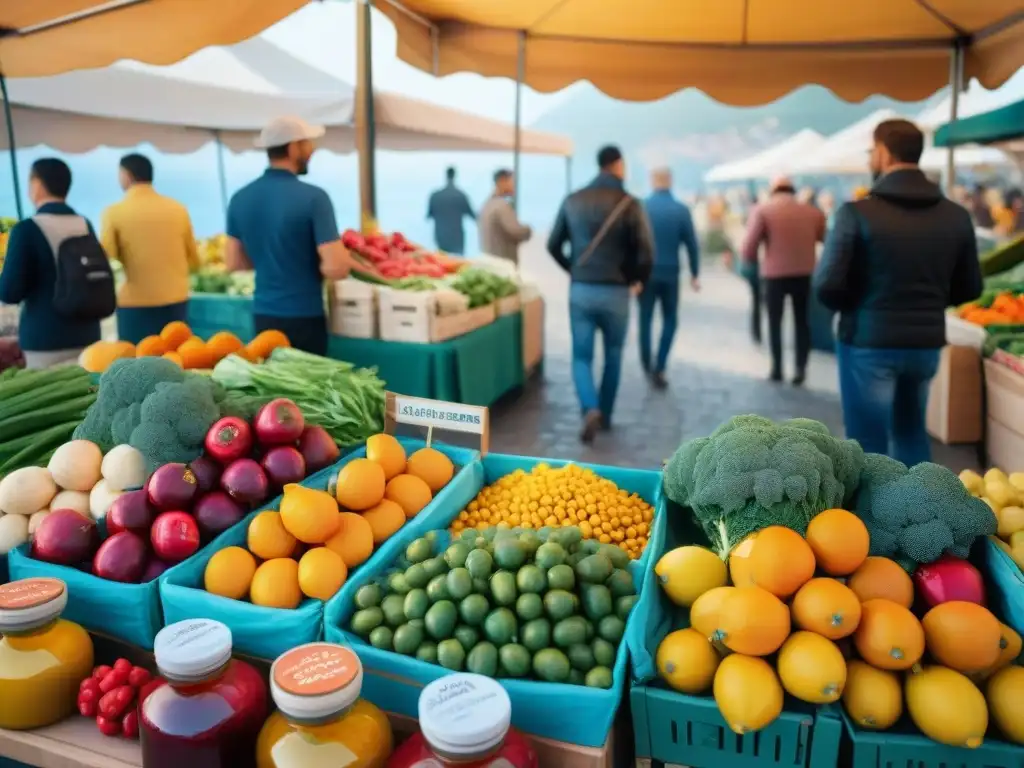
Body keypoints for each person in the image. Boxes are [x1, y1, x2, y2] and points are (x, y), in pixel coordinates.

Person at [814, 118, 982, 466]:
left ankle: (873, 519)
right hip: (925, 345)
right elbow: (971, 287)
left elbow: (827, 284)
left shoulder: (855, 214)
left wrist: (856, 308)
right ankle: (914, 515)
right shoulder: (956, 216)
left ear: (883, 152)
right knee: (911, 433)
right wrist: (930, 300)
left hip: (867, 340)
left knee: (867, 442)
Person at [225, 116, 358, 356]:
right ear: (293, 147)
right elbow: (337, 268)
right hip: (305, 317)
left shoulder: (239, 198)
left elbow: (234, 263)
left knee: (274, 389)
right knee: (308, 391)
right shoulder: (314, 198)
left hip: (263, 316)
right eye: (307, 144)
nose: (312, 150)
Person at [547, 145, 654, 443]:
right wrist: (636, 280)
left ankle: (589, 408)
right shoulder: (630, 203)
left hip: (581, 290)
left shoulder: (573, 199)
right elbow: (646, 253)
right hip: (616, 292)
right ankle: (604, 415)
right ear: (618, 165)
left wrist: (573, 270)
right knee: (614, 355)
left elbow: (553, 245)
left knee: (581, 356)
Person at [0, 159, 111, 368]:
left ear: (37, 184)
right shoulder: (84, 224)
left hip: (45, 342)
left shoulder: (27, 229)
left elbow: (9, 292)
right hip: (89, 339)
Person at [100, 154, 200, 344]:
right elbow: (193, 258)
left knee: (136, 366)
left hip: (135, 304)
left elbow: (107, 256)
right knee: (177, 361)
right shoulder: (178, 209)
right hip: (176, 300)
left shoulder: (113, 212)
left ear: (126, 175)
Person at [740, 175, 826, 385]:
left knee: (775, 321)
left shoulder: (764, 210)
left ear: (774, 190)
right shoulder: (813, 212)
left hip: (774, 275)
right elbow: (823, 238)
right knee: (802, 321)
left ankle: (777, 368)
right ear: (792, 190)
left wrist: (753, 263)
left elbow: (749, 247)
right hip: (804, 273)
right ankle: (800, 369)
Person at [639, 168, 700, 388]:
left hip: (645, 274)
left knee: (644, 318)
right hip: (670, 273)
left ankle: (646, 361)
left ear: (652, 180)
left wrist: (630, 275)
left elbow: (631, 243)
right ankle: (660, 365)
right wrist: (694, 273)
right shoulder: (681, 210)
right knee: (670, 319)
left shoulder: (642, 207)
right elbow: (692, 244)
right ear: (671, 181)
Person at [478, 169, 531, 264]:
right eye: (512, 181)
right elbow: (516, 231)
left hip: (490, 261)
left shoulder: (486, 204)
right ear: (502, 181)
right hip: (503, 265)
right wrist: (528, 230)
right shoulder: (501, 206)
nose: (514, 186)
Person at [426, 167, 475, 254]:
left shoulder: (435, 196)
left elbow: (428, 216)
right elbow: (473, 216)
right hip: (457, 238)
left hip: (441, 237)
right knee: (459, 264)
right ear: (455, 176)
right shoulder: (461, 195)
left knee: (442, 262)